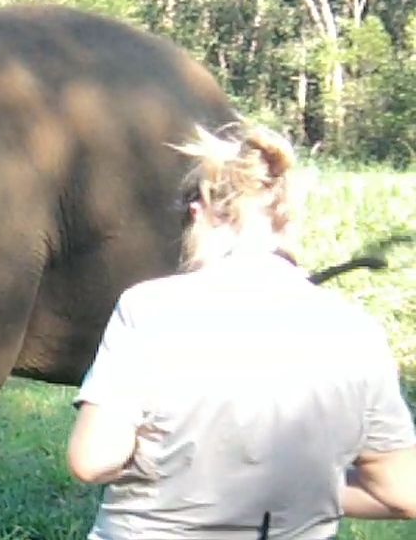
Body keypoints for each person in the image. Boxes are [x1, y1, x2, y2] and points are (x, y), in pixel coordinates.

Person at [66, 121, 416, 538]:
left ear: (199, 212)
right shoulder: (357, 333)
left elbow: (93, 459)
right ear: (289, 220)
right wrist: (298, 490)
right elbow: (403, 492)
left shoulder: (149, 309)